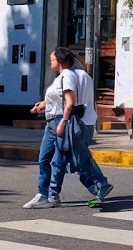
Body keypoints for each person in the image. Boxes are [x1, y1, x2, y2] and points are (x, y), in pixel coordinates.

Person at [24, 47, 113, 209]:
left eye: (52, 59)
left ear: (59, 61)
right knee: (67, 159)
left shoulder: (68, 76)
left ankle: (53, 194)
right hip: (76, 121)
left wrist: (63, 122)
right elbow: (64, 99)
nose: (50, 62)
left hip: (67, 121)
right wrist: (45, 104)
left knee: (72, 160)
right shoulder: (81, 75)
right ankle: (50, 194)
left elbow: (70, 102)